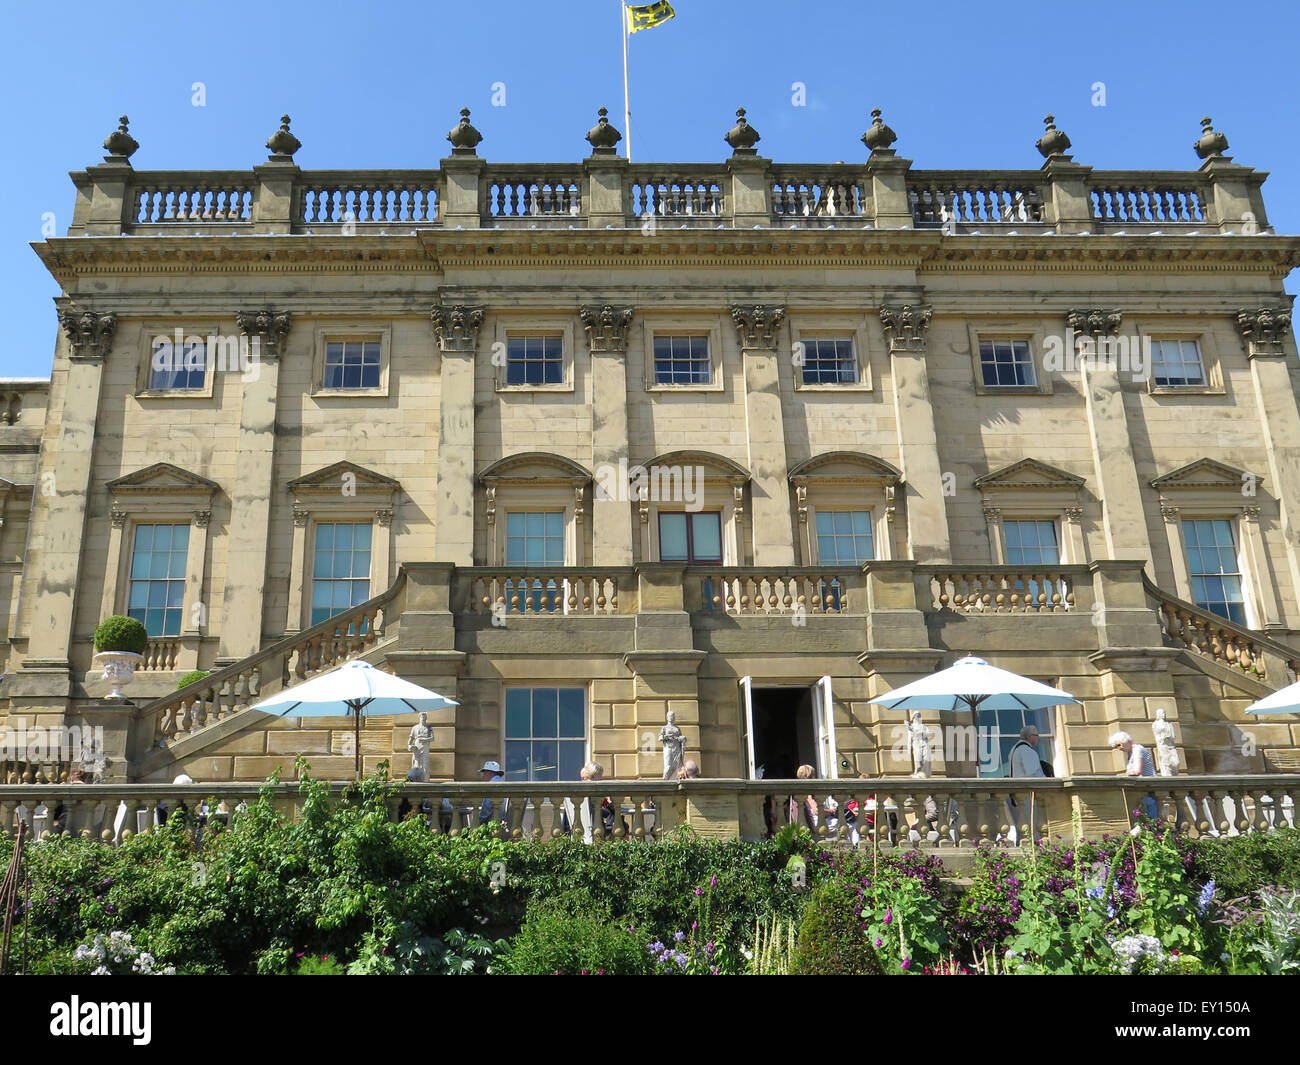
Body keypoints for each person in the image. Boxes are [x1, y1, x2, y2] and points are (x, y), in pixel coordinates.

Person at [1007, 725, 1046, 843]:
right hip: (1028, 793)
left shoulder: (1015, 749)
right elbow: (1033, 773)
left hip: (1017, 793)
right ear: (1030, 737)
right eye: (1036, 735)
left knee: (1023, 825)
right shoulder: (1027, 751)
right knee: (1032, 825)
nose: (1038, 737)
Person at [1110, 731, 1158, 819]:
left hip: (1149, 789)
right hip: (1143, 789)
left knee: (1151, 818)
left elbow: (1137, 771)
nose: (1118, 748)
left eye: (1119, 745)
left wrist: (1126, 775)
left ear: (1125, 741)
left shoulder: (1138, 750)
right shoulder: (1131, 753)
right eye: (1116, 747)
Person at [479, 760, 509, 827]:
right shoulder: (503, 784)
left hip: (491, 825)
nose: (483, 776)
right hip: (501, 821)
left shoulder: (491, 786)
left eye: (484, 773)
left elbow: (486, 811)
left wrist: (478, 821)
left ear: (490, 773)